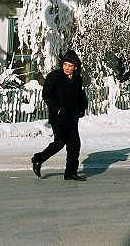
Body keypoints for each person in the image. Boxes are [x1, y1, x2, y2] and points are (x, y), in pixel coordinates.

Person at [32, 50, 88, 181]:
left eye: (70, 65)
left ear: (75, 67)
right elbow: (46, 94)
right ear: (62, 64)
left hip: (72, 117)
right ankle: (38, 158)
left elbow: (80, 95)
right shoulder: (54, 76)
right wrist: (56, 109)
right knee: (60, 142)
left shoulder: (78, 78)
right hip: (59, 117)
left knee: (75, 145)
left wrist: (81, 108)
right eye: (65, 64)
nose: (67, 68)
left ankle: (70, 173)